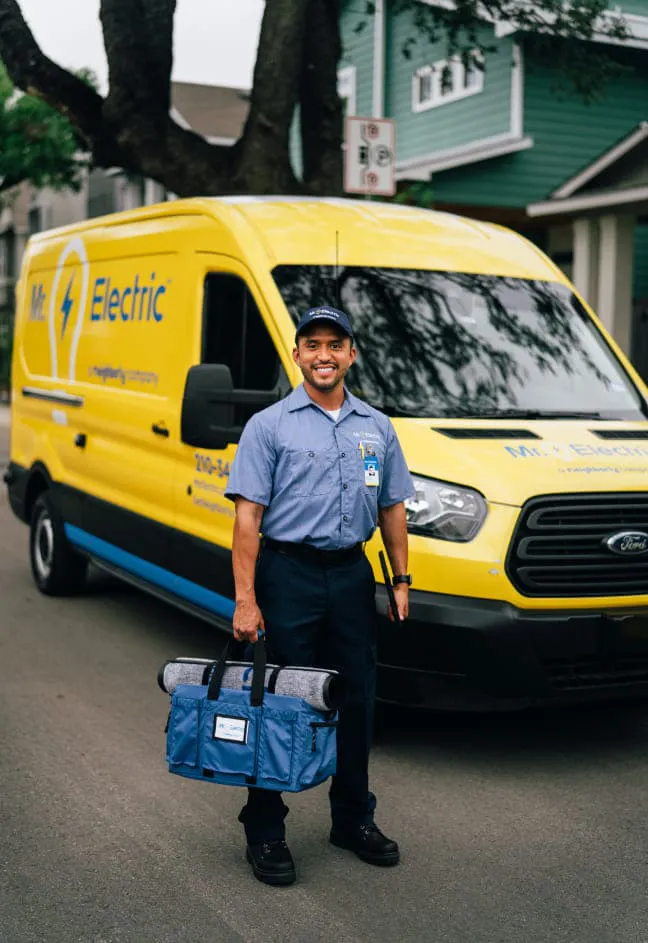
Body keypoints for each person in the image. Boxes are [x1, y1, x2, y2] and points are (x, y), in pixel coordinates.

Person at [224, 304, 414, 886]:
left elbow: (392, 508)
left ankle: (352, 819)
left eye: (335, 344)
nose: (324, 354)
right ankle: (265, 831)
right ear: (298, 354)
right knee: (278, 700)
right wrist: (246, 599)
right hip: (288, 574)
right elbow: (247, 519)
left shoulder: (376, 427)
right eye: (313, 344)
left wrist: (399, 580)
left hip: (352, 576)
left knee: (356, 698)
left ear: (352, 354)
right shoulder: (269, 426)